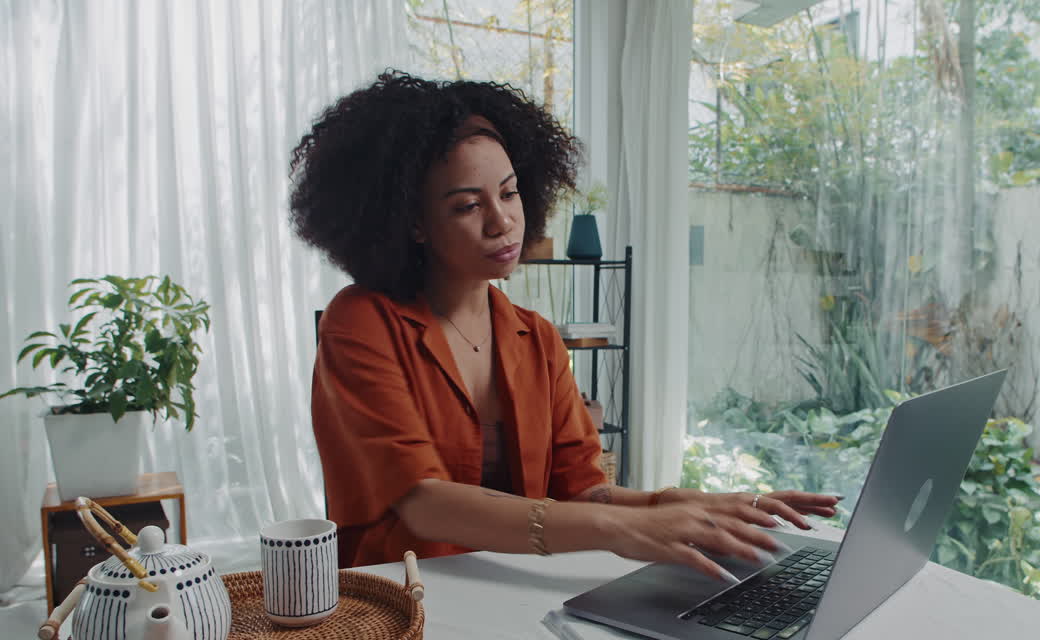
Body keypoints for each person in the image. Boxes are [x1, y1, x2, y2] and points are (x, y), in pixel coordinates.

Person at [289, 70, 838, 581]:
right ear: (413, 224)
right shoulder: (361, 323)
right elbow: (424, 503)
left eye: (509, 192)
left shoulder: (537, 338)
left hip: (513, 586)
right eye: (467, 206)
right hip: (398, 601)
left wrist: (695, 505)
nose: (502, 221)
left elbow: (581, 490)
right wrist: (619, 529)